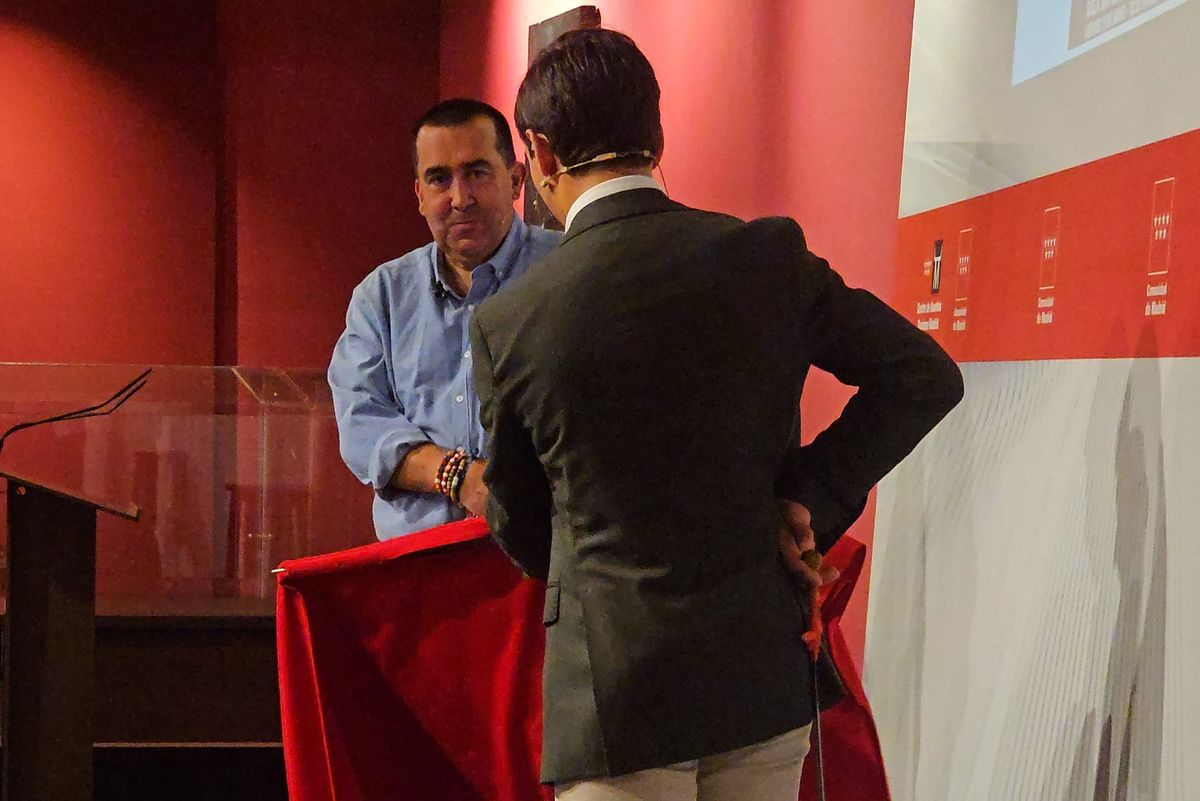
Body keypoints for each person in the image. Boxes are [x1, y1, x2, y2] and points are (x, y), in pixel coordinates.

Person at [468, 29, 964, 801]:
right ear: (655, 133)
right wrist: (807, 496)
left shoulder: (511, 321)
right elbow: (922, 375)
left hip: (615, 697)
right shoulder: (767, 258)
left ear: (538, 152)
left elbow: (522, 523)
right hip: (758, 672)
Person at [328, 99, 561, 540]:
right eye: (439, 179)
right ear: (419, 195)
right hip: (419, 564)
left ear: (516, 180)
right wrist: (459, 477)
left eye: (477, 173)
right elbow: (361, 425)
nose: (460, 198)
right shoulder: (382, 296)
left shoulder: (566, 271)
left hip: (545, 562)